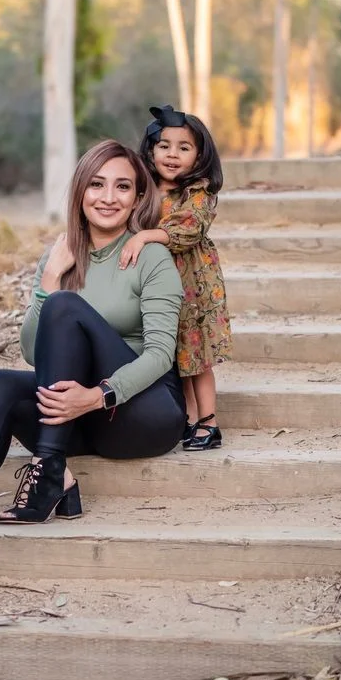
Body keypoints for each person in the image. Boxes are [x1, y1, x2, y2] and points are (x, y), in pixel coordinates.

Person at [0, 139, 186, 591]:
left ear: (138, 197)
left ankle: (49, 467)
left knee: (66, 307)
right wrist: (50, 280)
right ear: (79, 191)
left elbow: (160, 354)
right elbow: (35, 354)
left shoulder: (150, 256)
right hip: (73, 416)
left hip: (141, 412)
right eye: (97, 184)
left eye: (122, 186)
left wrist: (98, 394)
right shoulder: (60, 256)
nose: (108, 197)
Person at [119, 105, 232, 451]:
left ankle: (209, 422)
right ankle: (189, 417)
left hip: (193, 288)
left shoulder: (197, 192)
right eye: (164, 145)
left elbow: (189, 228)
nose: (172, 154)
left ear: (199, 155)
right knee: (176, 357)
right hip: (158, 288)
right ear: (150, 150)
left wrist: (145, 236)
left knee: (197, 360)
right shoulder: (144, 190)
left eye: (184, 147)